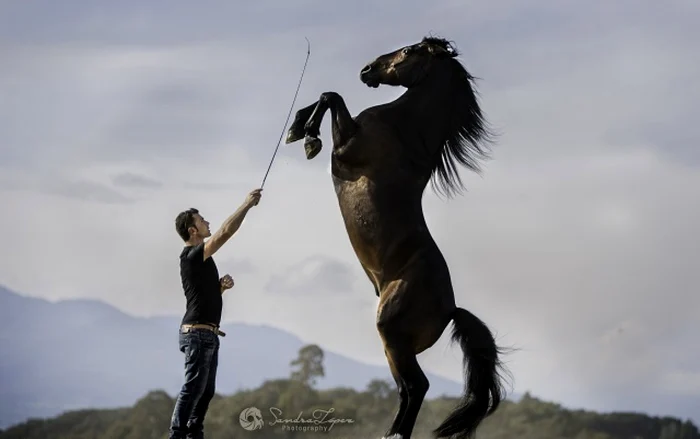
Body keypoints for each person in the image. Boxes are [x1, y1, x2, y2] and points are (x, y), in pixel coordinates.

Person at [169, 188, 263, 439]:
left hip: (207, 334)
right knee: (193, 388)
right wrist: (246, 205)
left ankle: (193, 435)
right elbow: (225, 232)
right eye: (202, 221)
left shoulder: (202, 261)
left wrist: (220, 288)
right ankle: (177, 435)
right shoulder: (191, 256)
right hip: (197, 335)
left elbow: (203, 299)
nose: (207, 222)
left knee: (206, 391)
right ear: (192, 231)